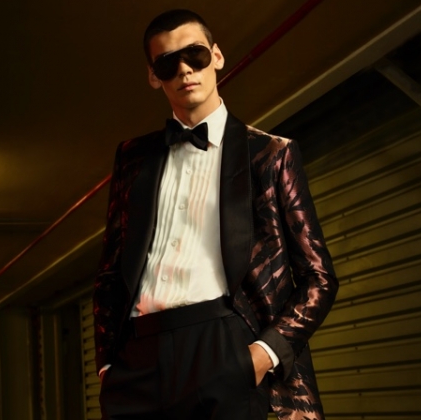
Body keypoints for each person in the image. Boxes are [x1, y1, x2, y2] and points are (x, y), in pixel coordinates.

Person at [93, 9, 338, 420]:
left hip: (225, 346)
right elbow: (109, 273)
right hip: (138, 358)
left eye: (195, 54)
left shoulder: (270, 154)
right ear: (153, 76)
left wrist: (263, 353)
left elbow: (319, 277)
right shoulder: (132, 159)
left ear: (217, 57)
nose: (184, 69)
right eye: (168, 63)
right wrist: (107, 366)